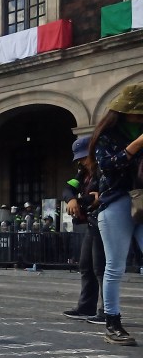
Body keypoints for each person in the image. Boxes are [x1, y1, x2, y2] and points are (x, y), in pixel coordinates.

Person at [90, 83, 143, 345]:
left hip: (142, 200)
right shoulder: (107, 136)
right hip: (117, 202)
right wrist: (138, 143)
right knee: (115, 266)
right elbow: (109, 166)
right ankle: (112, 322)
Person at [61, 136, 104, 322]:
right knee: (86, 265)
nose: (81, 161)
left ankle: (107, 311)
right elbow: (67, 189)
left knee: (101, 267)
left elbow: (107, 193)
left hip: (106, 220)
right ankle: (86, 307)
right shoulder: (83, 173)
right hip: (92, 222)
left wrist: (93, 198)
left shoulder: (104, 168)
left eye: (84, 157)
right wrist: (72, 199)